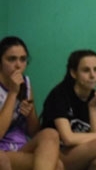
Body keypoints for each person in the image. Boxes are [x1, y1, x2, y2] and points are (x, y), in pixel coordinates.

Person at [40, 50, 96, 170]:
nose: (92, 75)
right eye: (86, 70)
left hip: (83, 153)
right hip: (57, 154)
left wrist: (92, 107)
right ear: (73, 73)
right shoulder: (60, 95)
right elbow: (68, 138)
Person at [0, 36, 61, 170]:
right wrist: (12, 93)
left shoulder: (26, 83)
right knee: (57, 165)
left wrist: (29, 113)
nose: (18, 65)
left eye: (23, 59)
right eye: (11, 59)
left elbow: (34, 132)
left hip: (21, 145)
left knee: (50, 134)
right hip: (2, 151)